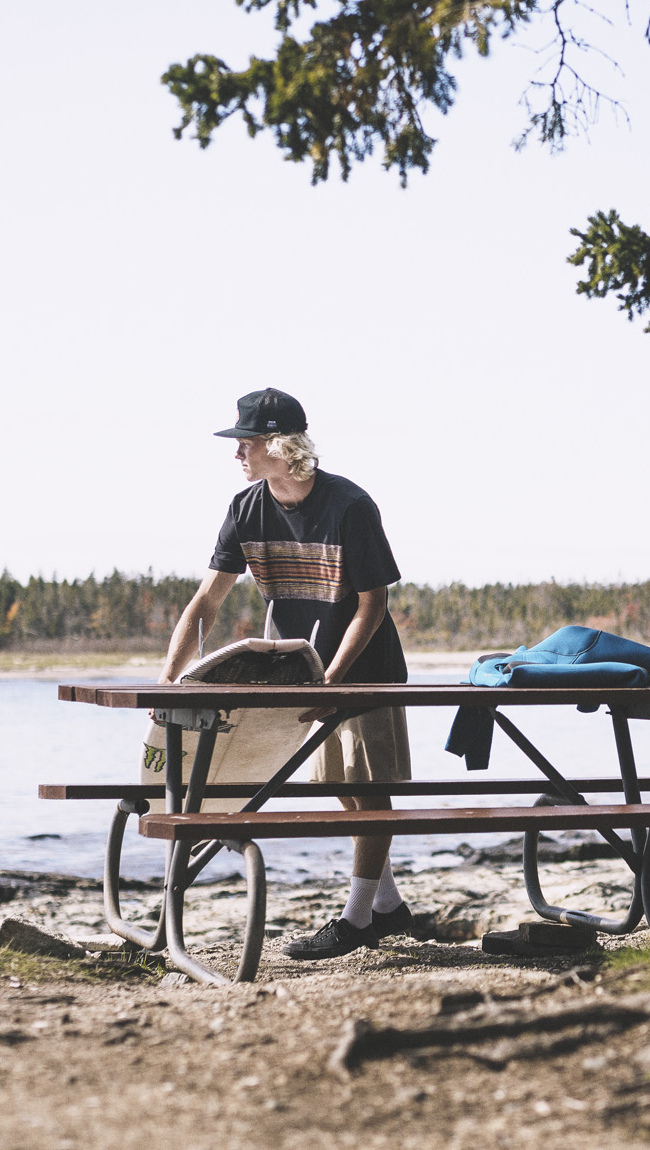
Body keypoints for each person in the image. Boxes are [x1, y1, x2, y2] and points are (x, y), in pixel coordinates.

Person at [159, 387, 415, 959]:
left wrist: (334, 681)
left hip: (363, 667)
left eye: (245, 443)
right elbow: (207, 600)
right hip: (300, 669)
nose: (237, 454)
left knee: (368, 791)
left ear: (279, 445)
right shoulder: (245, 507)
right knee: (340, 789)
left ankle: (358, 920)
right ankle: (390, 907)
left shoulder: (350, 505)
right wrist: (170, 676)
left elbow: (373, 606)